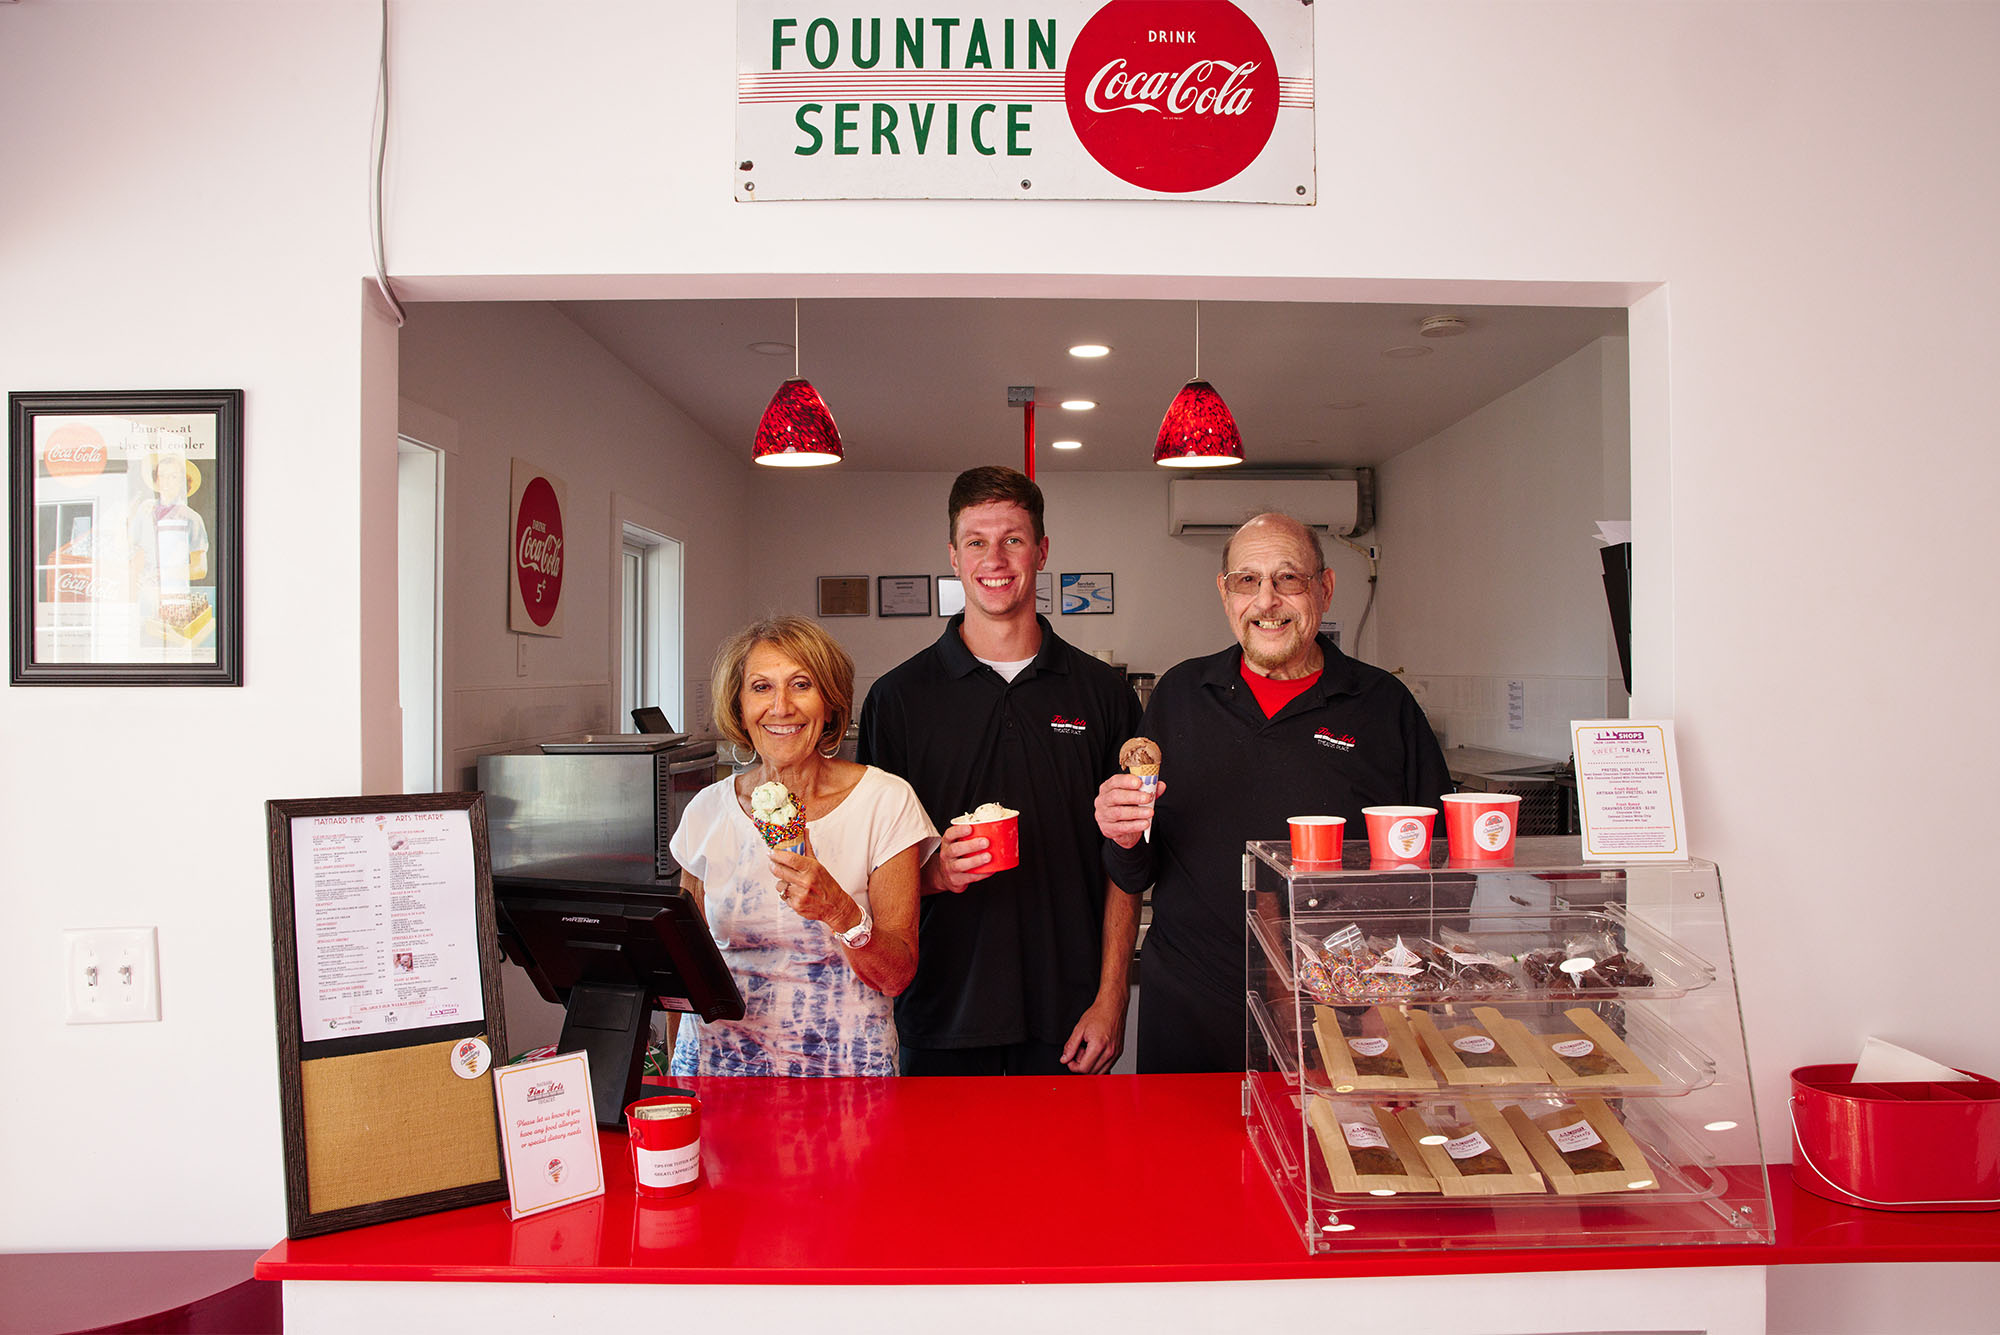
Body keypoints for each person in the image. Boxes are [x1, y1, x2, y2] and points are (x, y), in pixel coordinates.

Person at [1094, 513, 1452, 1073]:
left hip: (1341, 1008)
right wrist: (1120, 833)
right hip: (1193, 1004)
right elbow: (1138, 865)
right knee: (1184, 1159)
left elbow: (1444, 875)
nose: (1267, 601)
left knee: (1323, 1158)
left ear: (1325, 589)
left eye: (1288, 579)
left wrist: (1396, 1000)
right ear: (1224, 592)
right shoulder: (1181, 694)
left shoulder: (1384, 706)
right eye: (1247, 581)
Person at [859, 466, 1142, 1075]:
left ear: (1041, 551)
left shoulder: (1104, 694)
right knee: (941, 1174)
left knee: (1071, 1173)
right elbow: (875, 866)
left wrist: (1112, 996)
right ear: (954, 558)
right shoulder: (898, 699)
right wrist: (935, 874)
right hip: (939, 1012)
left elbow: (1127, 856)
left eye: (1013, 538)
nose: (995, 557)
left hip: (1069, 1017)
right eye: (976, 541)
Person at [668, 616, 935, 1077]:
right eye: (761, 688)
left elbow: (897, 975)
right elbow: (681, 969)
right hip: (719, 1073)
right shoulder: (707, 812)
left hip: (846, 1077)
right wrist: (678, 1073)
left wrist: (841, 913)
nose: (781, 707)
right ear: (740, 705)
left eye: (801, 685)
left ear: (830, 704)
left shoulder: (886, 801)